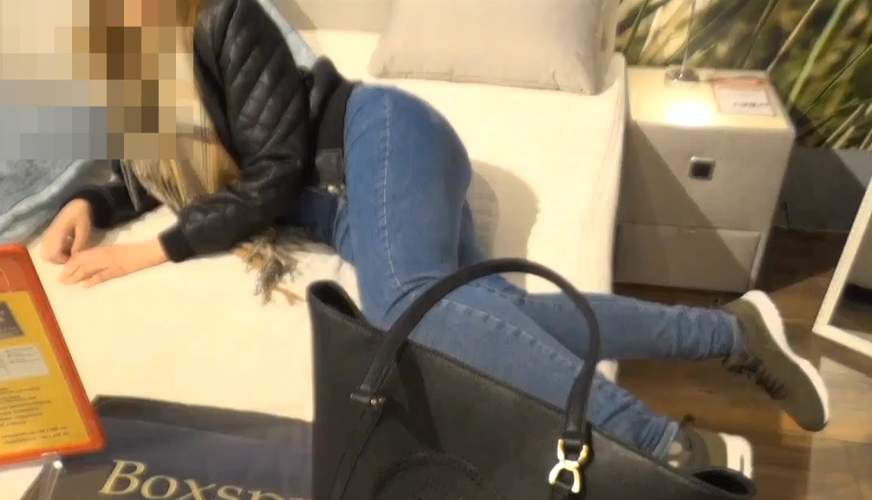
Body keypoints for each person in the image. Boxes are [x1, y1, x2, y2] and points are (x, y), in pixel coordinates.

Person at [41, 0, 829, 469]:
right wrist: (91, 203)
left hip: (383, 138)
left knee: (406, 305)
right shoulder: (134, 59)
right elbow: (151, 169)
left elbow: (276, 170)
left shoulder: (224, 17)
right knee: (496, 317)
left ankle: (658, 444)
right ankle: (733, 333)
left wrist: (158, 248)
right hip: (350, 208)